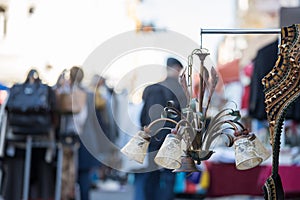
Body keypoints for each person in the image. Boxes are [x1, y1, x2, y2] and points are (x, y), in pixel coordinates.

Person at [134, 57, 187, 200]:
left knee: (152, 174)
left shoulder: (152, 88)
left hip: (153, 138)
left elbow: (143, 116)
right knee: (169, 175)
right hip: (171, 138)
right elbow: (185, 117)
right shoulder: (180, 90)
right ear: (176, 69)